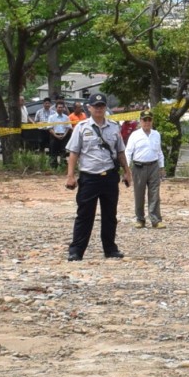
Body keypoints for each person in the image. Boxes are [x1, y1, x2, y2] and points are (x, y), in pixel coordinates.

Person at [63, 96, 128, 262]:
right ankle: (76, 251)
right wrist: (70, 176)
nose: (99, 109)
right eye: (95, 106)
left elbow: (120, 152)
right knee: (84, 215)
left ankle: (110, 249)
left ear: (105, 108)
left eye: (101, 106)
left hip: (109, 177)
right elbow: (73, 153)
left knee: (109, 215)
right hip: (89, 177)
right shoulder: (81, 127)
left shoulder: (114, 127)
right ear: (89, 108)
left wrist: (128, 171)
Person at [126, 118, 167, 228]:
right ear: (140, 121)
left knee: (154, 193)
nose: (147, 122)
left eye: (149, 120)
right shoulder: (135, 135)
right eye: (145, 120)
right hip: (139, 167)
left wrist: (162, 166)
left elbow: (159, 151)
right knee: (139, 194)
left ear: (152, 121)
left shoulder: (156, 134)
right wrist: (126, 168)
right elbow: (128, 152)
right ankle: (140, 219)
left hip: (153, 166)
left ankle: (156, 220)